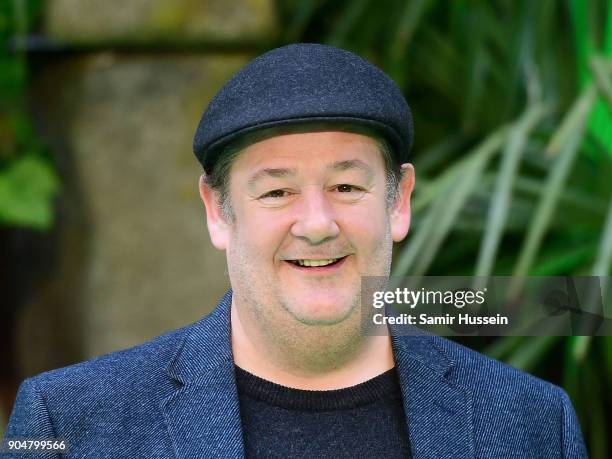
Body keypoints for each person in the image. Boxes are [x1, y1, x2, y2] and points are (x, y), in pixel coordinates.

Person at [4, 43, 587, 458]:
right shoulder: (70, 423)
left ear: (399, 201)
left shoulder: (533, 422)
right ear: (218, 211)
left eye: (346, 187)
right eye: (277, 190)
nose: (316, 224)